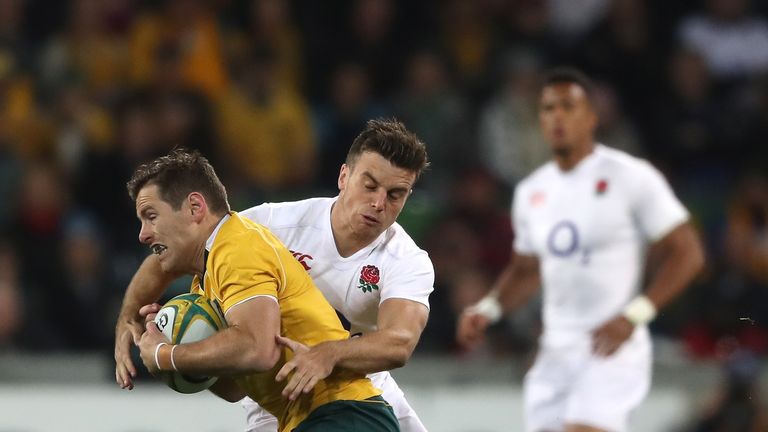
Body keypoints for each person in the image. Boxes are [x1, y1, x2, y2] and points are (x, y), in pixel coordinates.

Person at [115, 119, 433, 432]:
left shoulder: (406, 260)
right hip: (277, 402)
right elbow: (168, 256)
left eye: (395, 194)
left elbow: (398, 343)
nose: (379, 203)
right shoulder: (269, 226)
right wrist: (139, 326)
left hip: (356, 390)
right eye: (370, 185)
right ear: (343, 177)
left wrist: (331, 354)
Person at [456, 68, 705, 432]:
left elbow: (689, 253)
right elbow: (526, 272)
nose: (557, 116)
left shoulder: (630, 176)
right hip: (555, 350)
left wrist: (634, 315)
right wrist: (489, 309)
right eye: (548, 108)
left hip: (611, 347)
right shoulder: (531, 193)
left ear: (591, 117)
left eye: (568, 106)